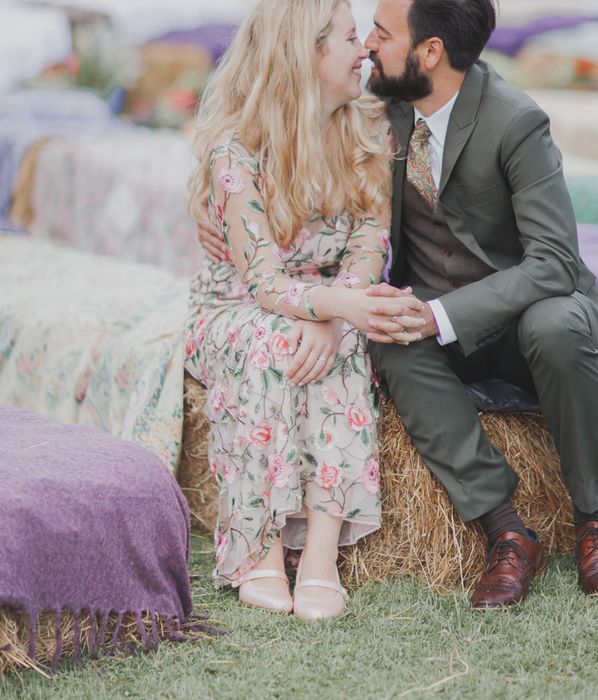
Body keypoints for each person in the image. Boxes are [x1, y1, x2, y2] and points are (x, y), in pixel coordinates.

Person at [200, 0, 598, 609]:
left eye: (381, 33)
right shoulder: (380, 109)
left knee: (558, 321)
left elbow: (556, 262)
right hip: (427, 320)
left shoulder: (515, 121)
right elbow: (267, 130)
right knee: (390, 342)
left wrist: (434, 314)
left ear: (429, 53)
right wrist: (210, 208)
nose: (368, 46)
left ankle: (595, 523)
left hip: (525, 319)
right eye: (362, 34)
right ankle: (506, 530)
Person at [185, 0, 424, 621]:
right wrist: (339, 306)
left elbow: (372, 239)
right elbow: (261, 279)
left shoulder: (370, 127)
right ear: (308, 54)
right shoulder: (237, 148)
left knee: (341, 344)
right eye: (349, 38)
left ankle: (320, 553)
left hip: (328, 301)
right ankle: (259, 547)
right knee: (273, 344)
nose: (364, 50)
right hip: (237, 305)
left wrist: (341, 313)